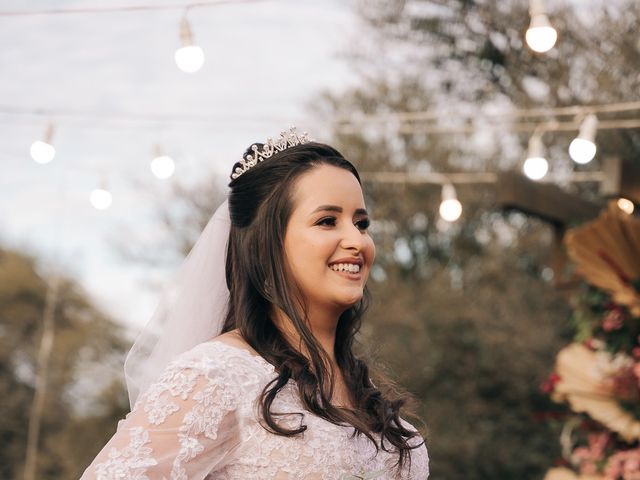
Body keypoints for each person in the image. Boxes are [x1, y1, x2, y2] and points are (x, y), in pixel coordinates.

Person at [80, 127, 430, 479]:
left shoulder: (372, 401)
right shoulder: (218, 376)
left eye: (361, 223)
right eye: (327, 221)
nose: (356, 240)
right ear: (267, 246)